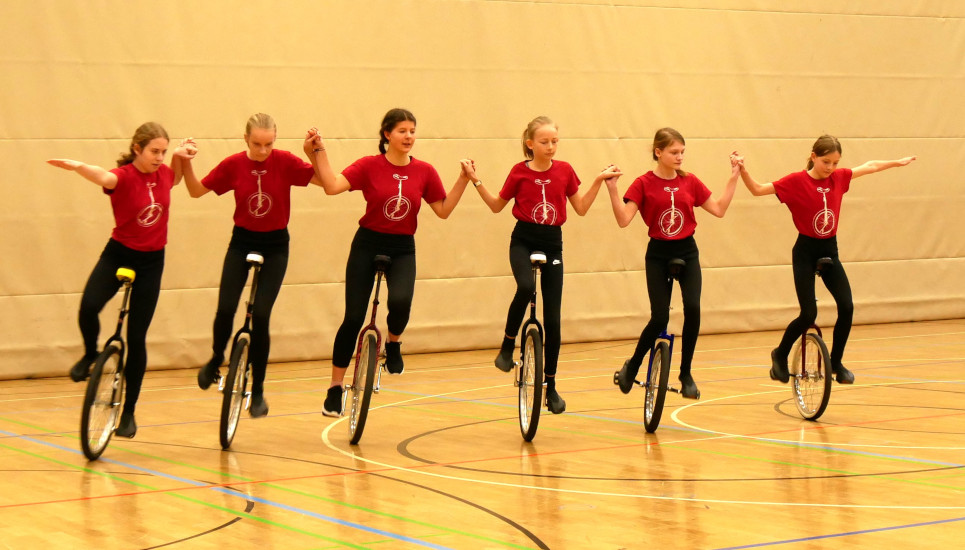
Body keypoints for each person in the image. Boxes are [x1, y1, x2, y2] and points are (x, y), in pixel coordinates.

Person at [306, 108, 472, 417]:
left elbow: (443, 209)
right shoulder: (369, 166)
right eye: (402, 131)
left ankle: (393, 343)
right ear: (387, 135)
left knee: (400, 301)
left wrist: (462, 179)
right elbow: (331, 185)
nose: (409, 136)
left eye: (412, 131)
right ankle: (334, 388)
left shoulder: (424, 171)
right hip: (367, 243)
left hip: (402, 248)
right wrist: (319, 152)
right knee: (353, 317)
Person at [464, 115, 621, 414]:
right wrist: (475, 180)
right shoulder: (518, 172)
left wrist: (599, 181)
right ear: (530, 144)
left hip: (553, 243)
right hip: (523, 241)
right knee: (525, 286)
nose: (551, 147)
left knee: (554, 319)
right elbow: (497, 206)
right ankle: (508, 344)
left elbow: (582, 208)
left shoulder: (564, 171)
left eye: (555, 142)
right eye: (545, 142)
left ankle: (551, 385)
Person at [48, 122, 194, 438]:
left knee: (136, 337)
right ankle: (90, 353)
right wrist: (77, 166)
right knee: (88, 306)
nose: (159, 157)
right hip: (119, 254)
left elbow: (177, 177)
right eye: (154, 151)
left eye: (163, 152)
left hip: (152, 262)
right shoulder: (124, 177)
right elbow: (102, 175)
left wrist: (182, 156)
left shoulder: (165, 174)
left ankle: (128, 412)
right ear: (137, 149)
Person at [738, 135, 916, 384]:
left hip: (829, 250)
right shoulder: (795, 181)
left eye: (835, 162)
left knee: (847, 306)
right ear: (813, 157)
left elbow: (870, 165)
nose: (831, 168)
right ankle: (779, 353)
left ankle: (837, 362)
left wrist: (897, 162)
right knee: (808, 313)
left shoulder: (839, 178)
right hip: (805, 251)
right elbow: (757, 190)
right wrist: (743, 170)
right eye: (826, 162)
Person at [180, 113, 322, 418]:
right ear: (246, 139)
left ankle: (257, 390)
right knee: (226, 307)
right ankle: (216, 357)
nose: (262, 151)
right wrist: (186, 162)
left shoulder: (284, 161)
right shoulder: (233, 165)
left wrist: (314, 153)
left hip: (275, 247)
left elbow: (326, 181)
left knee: (261, 315)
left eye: (268, 144)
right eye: (256, 144)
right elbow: (195, 191)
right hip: (242, 241)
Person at [605, 128, 739, 399]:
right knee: (659, 317)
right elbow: (623, 219)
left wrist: (734, 176)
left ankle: (686, 372)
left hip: (687, 250)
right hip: (658, 253)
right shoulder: (643, 183)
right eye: (674, 152)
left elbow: (719, 209)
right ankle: (633, 365)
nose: (680, 157)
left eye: (682, 152)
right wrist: (613, 189)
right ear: (658, 152)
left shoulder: (690, 182)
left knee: (693, 307)